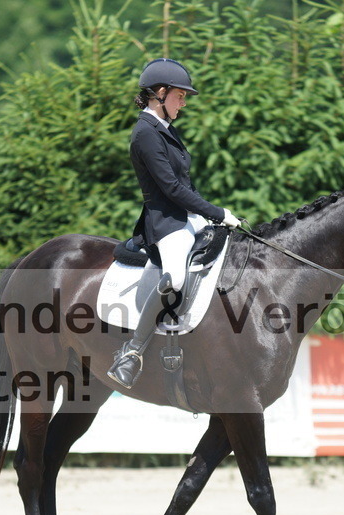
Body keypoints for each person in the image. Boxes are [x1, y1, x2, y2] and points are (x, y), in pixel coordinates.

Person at [107, 58, 242, 389]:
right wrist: (216, 211)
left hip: (187, 216)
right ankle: (132, 352)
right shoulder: (145, 134)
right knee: (176, 278)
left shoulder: (166, 128)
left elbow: (185, 182)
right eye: (180, 96)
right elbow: (170, 188)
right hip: (166, 222)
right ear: (160, 93)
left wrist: (213, 218)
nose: (183, 103)